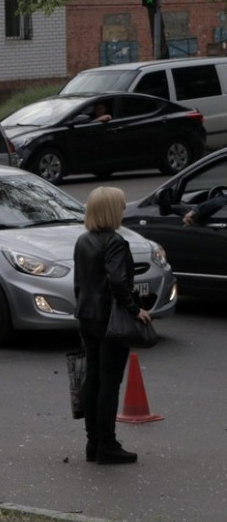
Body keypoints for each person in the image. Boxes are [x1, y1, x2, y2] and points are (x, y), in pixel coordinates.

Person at [73, 187, 152, 465]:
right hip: (110, 319)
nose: (122, 210)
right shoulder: (116, 242)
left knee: (93, 379)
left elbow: (79, 283)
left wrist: (82, 308)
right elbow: (118, 280)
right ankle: (107, 444)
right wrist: (134, 309)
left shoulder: (83, 240)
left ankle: (93, 444)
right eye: (119, 205)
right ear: (111, 210)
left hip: (87, 316)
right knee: (109, 383)